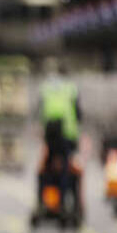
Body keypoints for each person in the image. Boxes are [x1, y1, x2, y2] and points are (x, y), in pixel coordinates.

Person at [39, 61, 81, 213]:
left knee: (48, 167)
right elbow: (78, 113)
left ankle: (44, 201)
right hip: (66, 134)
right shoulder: (71, 88)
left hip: (50, 133)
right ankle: (62, 201)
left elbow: (41, 109)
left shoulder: (47, 87)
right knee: (64, 169)